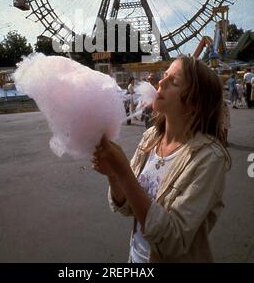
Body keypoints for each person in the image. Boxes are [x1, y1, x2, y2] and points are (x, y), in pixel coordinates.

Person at [92, 56, 231, 263]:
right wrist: (113, 174)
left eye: (173, 82)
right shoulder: (150, 137)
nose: (160, 82)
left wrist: (123, 172)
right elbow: (128, 206)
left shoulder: (210, 158)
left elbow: (173, 240)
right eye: (164, 76)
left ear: (193, 103)